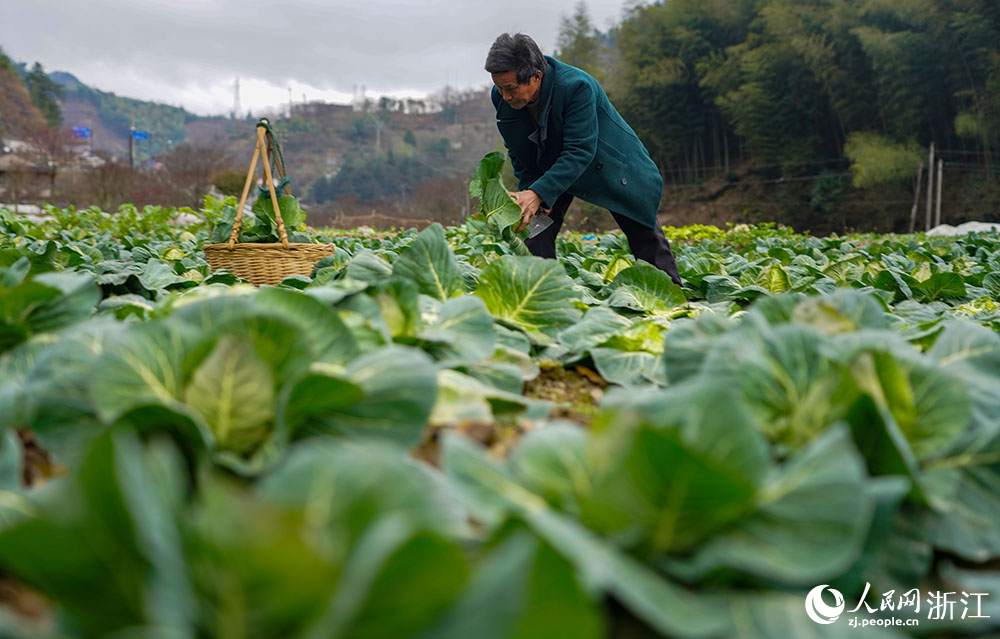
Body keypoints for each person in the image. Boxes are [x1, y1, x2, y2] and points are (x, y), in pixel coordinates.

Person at [485, 32, 682, 286]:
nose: (504, 96)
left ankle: (672, 295)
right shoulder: (501, 97)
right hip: (551, 170)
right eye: (499, 87)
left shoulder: (576, 87)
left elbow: (580, 151)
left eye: (510, 88)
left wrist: (537, 192)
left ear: (536, 76)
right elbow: (518, 150)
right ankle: (543, 294)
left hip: (606, 164)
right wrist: (531, 194)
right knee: (536, 234)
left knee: (643, 233)